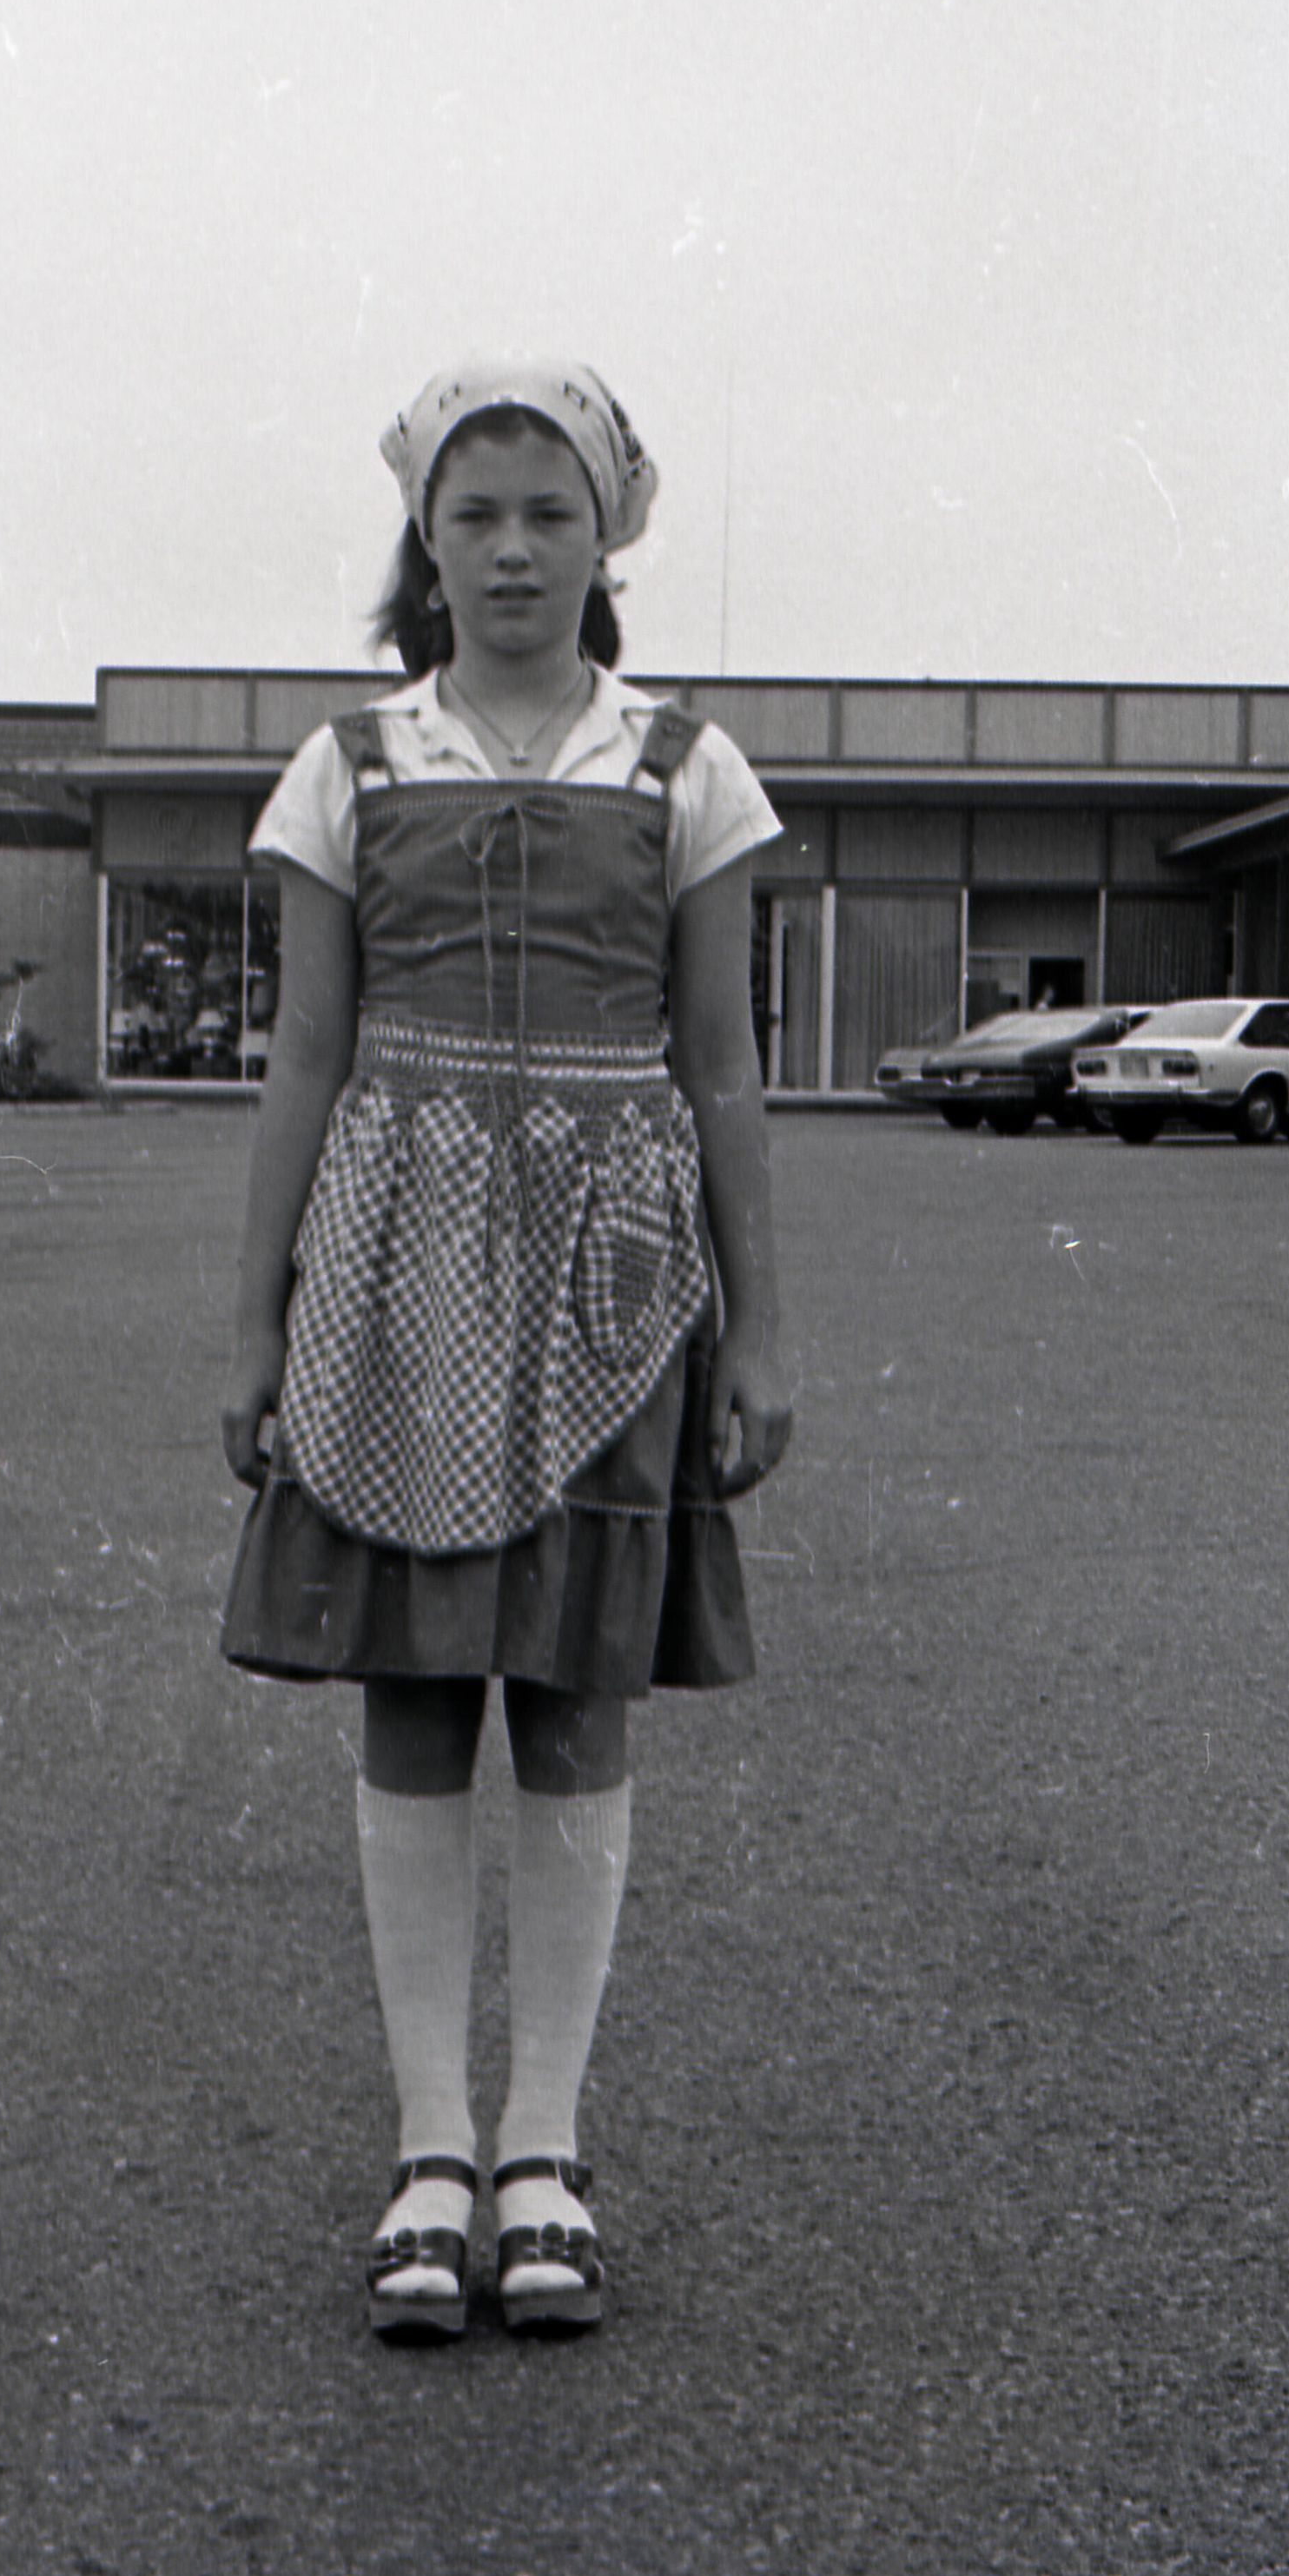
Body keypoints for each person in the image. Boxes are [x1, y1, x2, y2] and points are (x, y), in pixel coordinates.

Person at [220, 359, 791, 2340]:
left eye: (553, 511)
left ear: (605, 533)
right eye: (477, 513)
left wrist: (763, 1325)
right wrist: (255, 1316)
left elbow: (723, 1065)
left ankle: (543, 2146)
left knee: (570, 1690)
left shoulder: (688, 769)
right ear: (426, 538)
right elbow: (304, 1056)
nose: (515, 548)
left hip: (617, 1274)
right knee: (410, 1692)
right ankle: (428, 2149)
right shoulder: (347, 765)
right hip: (396, 1266)